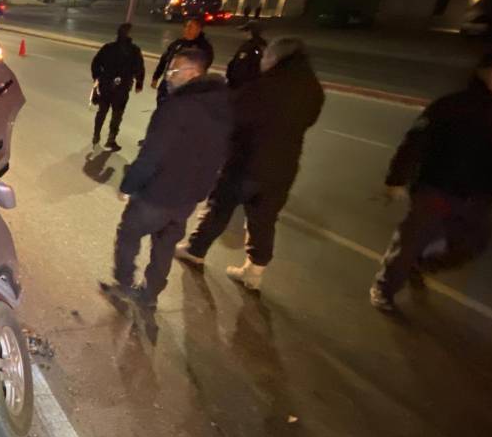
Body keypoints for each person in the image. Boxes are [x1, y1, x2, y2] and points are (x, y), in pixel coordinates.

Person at [174, 38, 325, 291]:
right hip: (283, 167)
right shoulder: (313, 90)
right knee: (264, 219)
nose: (263, 61)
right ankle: (255, 271)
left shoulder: (265, 87)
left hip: (247, 162)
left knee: (220, 206)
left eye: (266, 57)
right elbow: (307, 121)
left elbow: (233, 114)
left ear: (277, 58)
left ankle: (196, 250)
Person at [102, 49, 233, 308]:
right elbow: (220, 155)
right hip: (186, 200)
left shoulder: (176, 108)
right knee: (164, 247)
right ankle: (150, 295)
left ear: (193, 73)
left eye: (173, 72)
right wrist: (201, 192)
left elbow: (151, 155)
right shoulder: (223, 106)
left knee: (129, 233)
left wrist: (128, 185)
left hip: (157, 195)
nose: (169, 78)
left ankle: (124, 285)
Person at [369, 51, 492, 311]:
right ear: (483, 71)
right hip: (437, 188)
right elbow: (415, 141)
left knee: (473, 244)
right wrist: (396, 179)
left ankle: (422, 265)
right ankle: (384, 288)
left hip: (478, 197)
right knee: (410, 242)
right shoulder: (452, 105)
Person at [90, 22, 145, 151]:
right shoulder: (134, 50)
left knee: (102, 111)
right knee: (117, 115)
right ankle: (111, 138)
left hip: (106, 85)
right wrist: (139, 82)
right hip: (122, 88)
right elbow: (139, 68)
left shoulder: (108, 48)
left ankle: (96, 135)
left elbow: (95, 63)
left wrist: (97, 77)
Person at [151, 19, 214, 104]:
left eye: (190, 27)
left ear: (198, 29)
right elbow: (165, 59)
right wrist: (156, 76)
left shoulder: (203, 48)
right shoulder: (178, 43)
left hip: (186, 87)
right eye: (186, 27)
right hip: (167, 84)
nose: (186, 30)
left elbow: (203, 66)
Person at [226, 21, 267, 89]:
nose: (243, 33)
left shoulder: (249, 46)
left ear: (250, 32)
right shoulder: (262, 45)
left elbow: (240, 66)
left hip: (241, 85)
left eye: (245, 31)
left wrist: (233, 81)